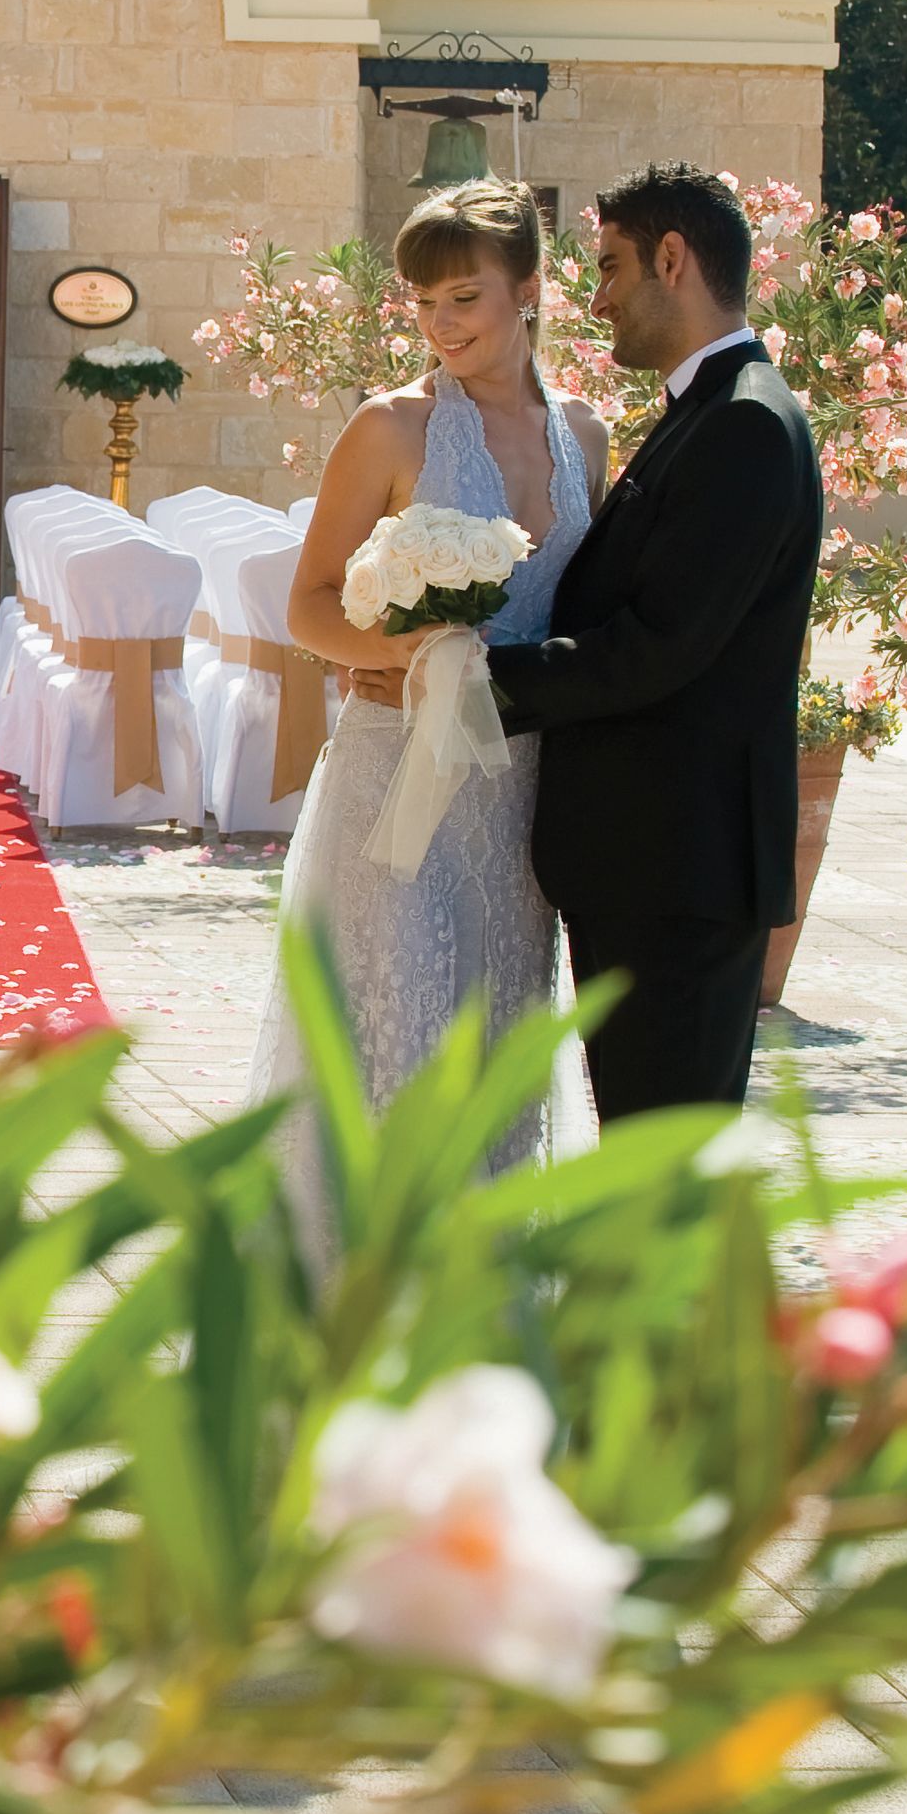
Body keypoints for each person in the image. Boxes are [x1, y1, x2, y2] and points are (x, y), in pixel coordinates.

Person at [249, 180, 606, 1162]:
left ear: (527, 288)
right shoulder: (390, 426)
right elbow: (308, 605)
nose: (438, 323)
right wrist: (408, 649)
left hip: (520, 796)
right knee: (396, 1032)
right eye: (420, 300)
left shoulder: (585, 434)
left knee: (493, 1045)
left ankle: (477, 1295)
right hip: (394, 779)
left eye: (462, 296)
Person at [488, 165, 822, 1123]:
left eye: (607, 268)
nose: (593, 301)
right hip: (651, 863)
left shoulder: (744, 423)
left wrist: (469, 679)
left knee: (658, 1163)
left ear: (670, 260)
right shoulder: (710, 410)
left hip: (678, 869)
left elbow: (656, 646)